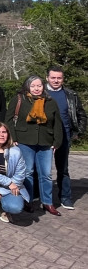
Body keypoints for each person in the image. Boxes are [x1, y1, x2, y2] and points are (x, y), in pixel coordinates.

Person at [5, 75, 64, 215]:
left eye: (39, 86)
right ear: (27, 87)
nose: (36, 89)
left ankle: (47, 203)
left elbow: (57, 124)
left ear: (43, 86)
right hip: (24, 140)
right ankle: (28, 200)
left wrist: (57, 142)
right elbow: (8, 119)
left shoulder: (50, 102)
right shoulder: (19, 99)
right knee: (28, 172)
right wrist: (12, 137)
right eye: (33, 86)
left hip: (46, 142)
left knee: (46, 174)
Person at [45, 66, 86, 210]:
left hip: (64, 137)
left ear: (63, 79)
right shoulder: (39, 92)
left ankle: (65, 197)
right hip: (44, 137)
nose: (56, 80)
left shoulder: (71, 95)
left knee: (63, 169)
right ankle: (42, 198)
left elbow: (81, 114)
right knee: (42, 170)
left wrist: (77, 132)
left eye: (59, 78)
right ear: (47, 78)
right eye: (53, 78)